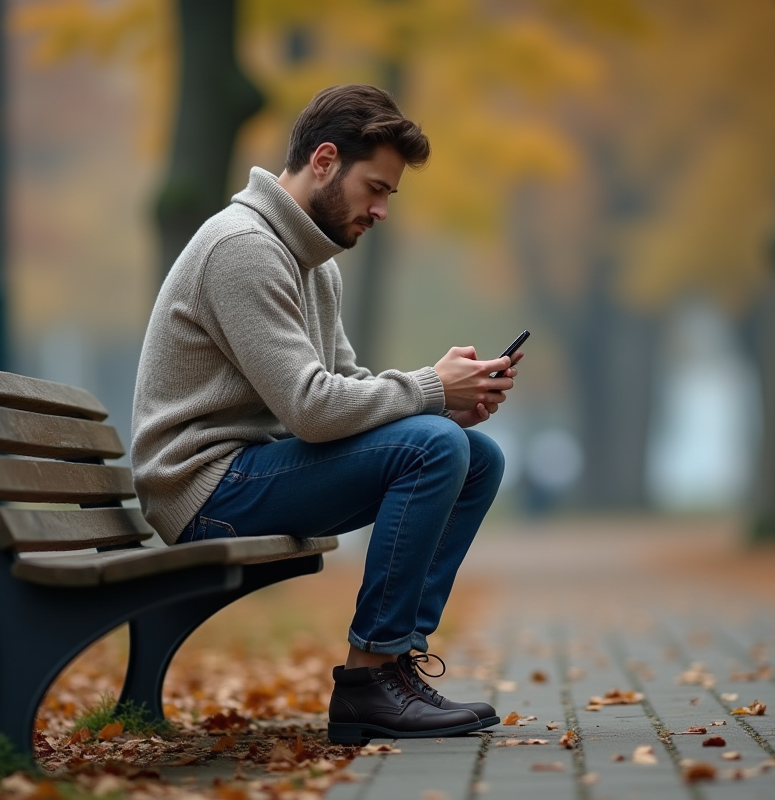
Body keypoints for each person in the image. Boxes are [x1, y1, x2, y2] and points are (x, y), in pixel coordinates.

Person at [131, 84, 521, 744]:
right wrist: (431, 390)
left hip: (252, 470)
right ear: (324, 161)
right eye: (376, 188)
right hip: (204, 489)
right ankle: (368, 682)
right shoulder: (243, 247)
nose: (382, 210)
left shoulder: (315, 263)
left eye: (389, 194)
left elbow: (346, 389)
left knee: (473, 455)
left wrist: (450, 405)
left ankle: (394, 665)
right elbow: (312, 409)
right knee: (431, 444)